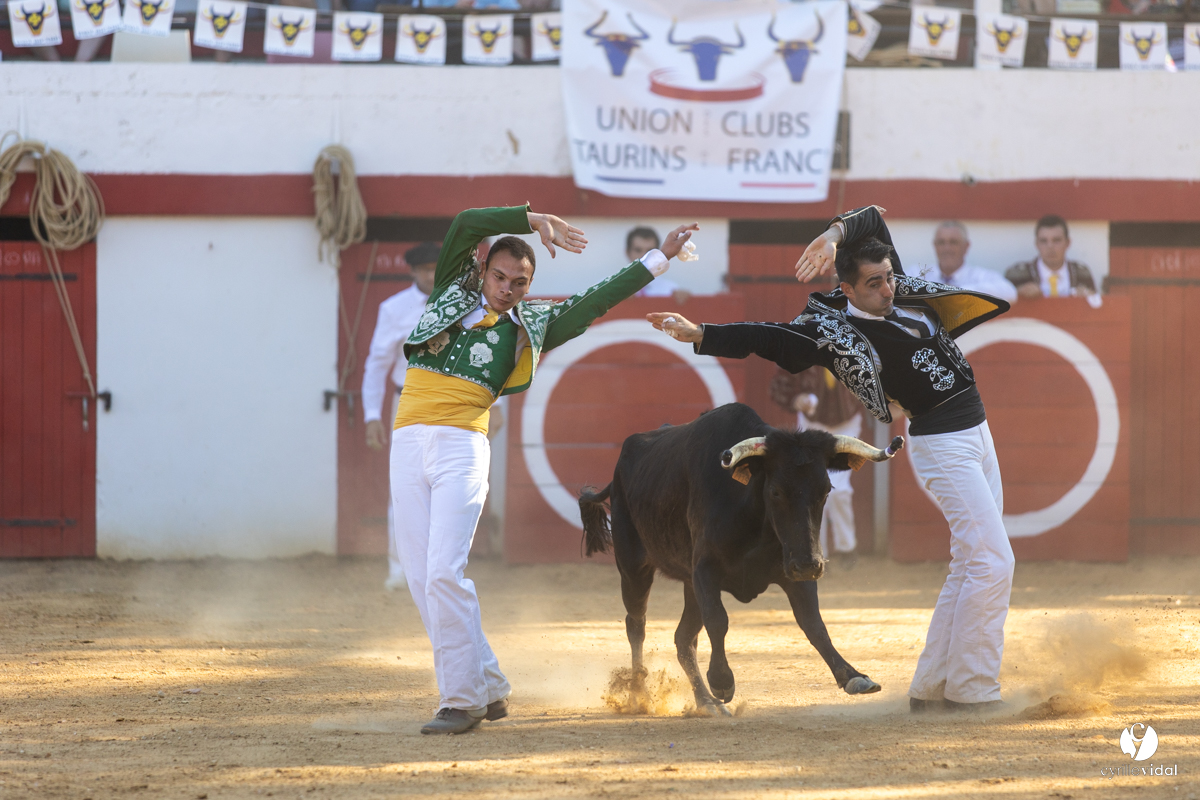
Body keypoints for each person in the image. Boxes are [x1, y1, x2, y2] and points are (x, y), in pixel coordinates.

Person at [648, 205, 1015, 714]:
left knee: (973, 560)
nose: (887, 289)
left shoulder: (897, 288)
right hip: (941, 442)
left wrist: (832, 235)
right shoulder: (832, 333)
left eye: (888, 277)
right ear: (848, 290)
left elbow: (872, 220)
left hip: (977, 429)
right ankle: (973, 689)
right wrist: (703, 334)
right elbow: (766, 336)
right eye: (874, 284)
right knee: (994, 560)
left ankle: (933, 687)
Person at [391, 203, 699, 734]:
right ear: (483, 270)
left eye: (519, 283)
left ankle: (462, 700)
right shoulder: (449, 292)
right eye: (499, 277)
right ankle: (489, 684)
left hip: (462, 444)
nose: (507, 289)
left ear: (529, 287)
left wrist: (658, 259)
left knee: (443, 572)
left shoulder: (531, 326)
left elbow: (596, 299)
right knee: (423, 580)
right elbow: (464, 224)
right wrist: (530, 219)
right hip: (406, 441)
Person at [362, 242, 440, 592]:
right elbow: (377, 363)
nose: (431, 275)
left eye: (436, 268)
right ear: (412, 271)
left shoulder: (462, 305)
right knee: (406, 486)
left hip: (451, 406)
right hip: (406, 403)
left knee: (448, 486)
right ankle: (399, 570)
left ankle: (440, 571)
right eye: (425, 269)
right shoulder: (393, 309)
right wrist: (371, 414)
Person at [770, 366, 862, 567]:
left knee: (839, 491)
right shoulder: (802, 350)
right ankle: (819, 552)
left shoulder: (855, 348)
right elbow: (780, 384)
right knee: (813, 490)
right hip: (812, 426)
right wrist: (796, 399)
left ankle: (846, 547)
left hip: (848, 424)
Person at [924, 221, 1017, 303]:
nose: (947, 248)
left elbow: (1010, 292)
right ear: (934, 246)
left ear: (966, 246)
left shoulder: (980, 276)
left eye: (953, 242)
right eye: (941, 242)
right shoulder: (920, 274)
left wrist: (958, 292)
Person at [1005, 215, 1097, 299]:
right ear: (1036, 244)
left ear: (1067, 243)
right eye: (1043, 241)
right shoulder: (1017, 274)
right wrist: (1017, 292)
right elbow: (1003, 304)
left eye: (1056, 240)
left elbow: (1095, 305)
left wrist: (1087, 297)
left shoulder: (1082, 273)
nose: (1050, 247)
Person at [626, 226, 692, 304]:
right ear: (628, 253)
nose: (644, 256)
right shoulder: (614, 287)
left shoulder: (671, 290)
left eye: (650, 251)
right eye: (638, 250)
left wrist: (687, 301)